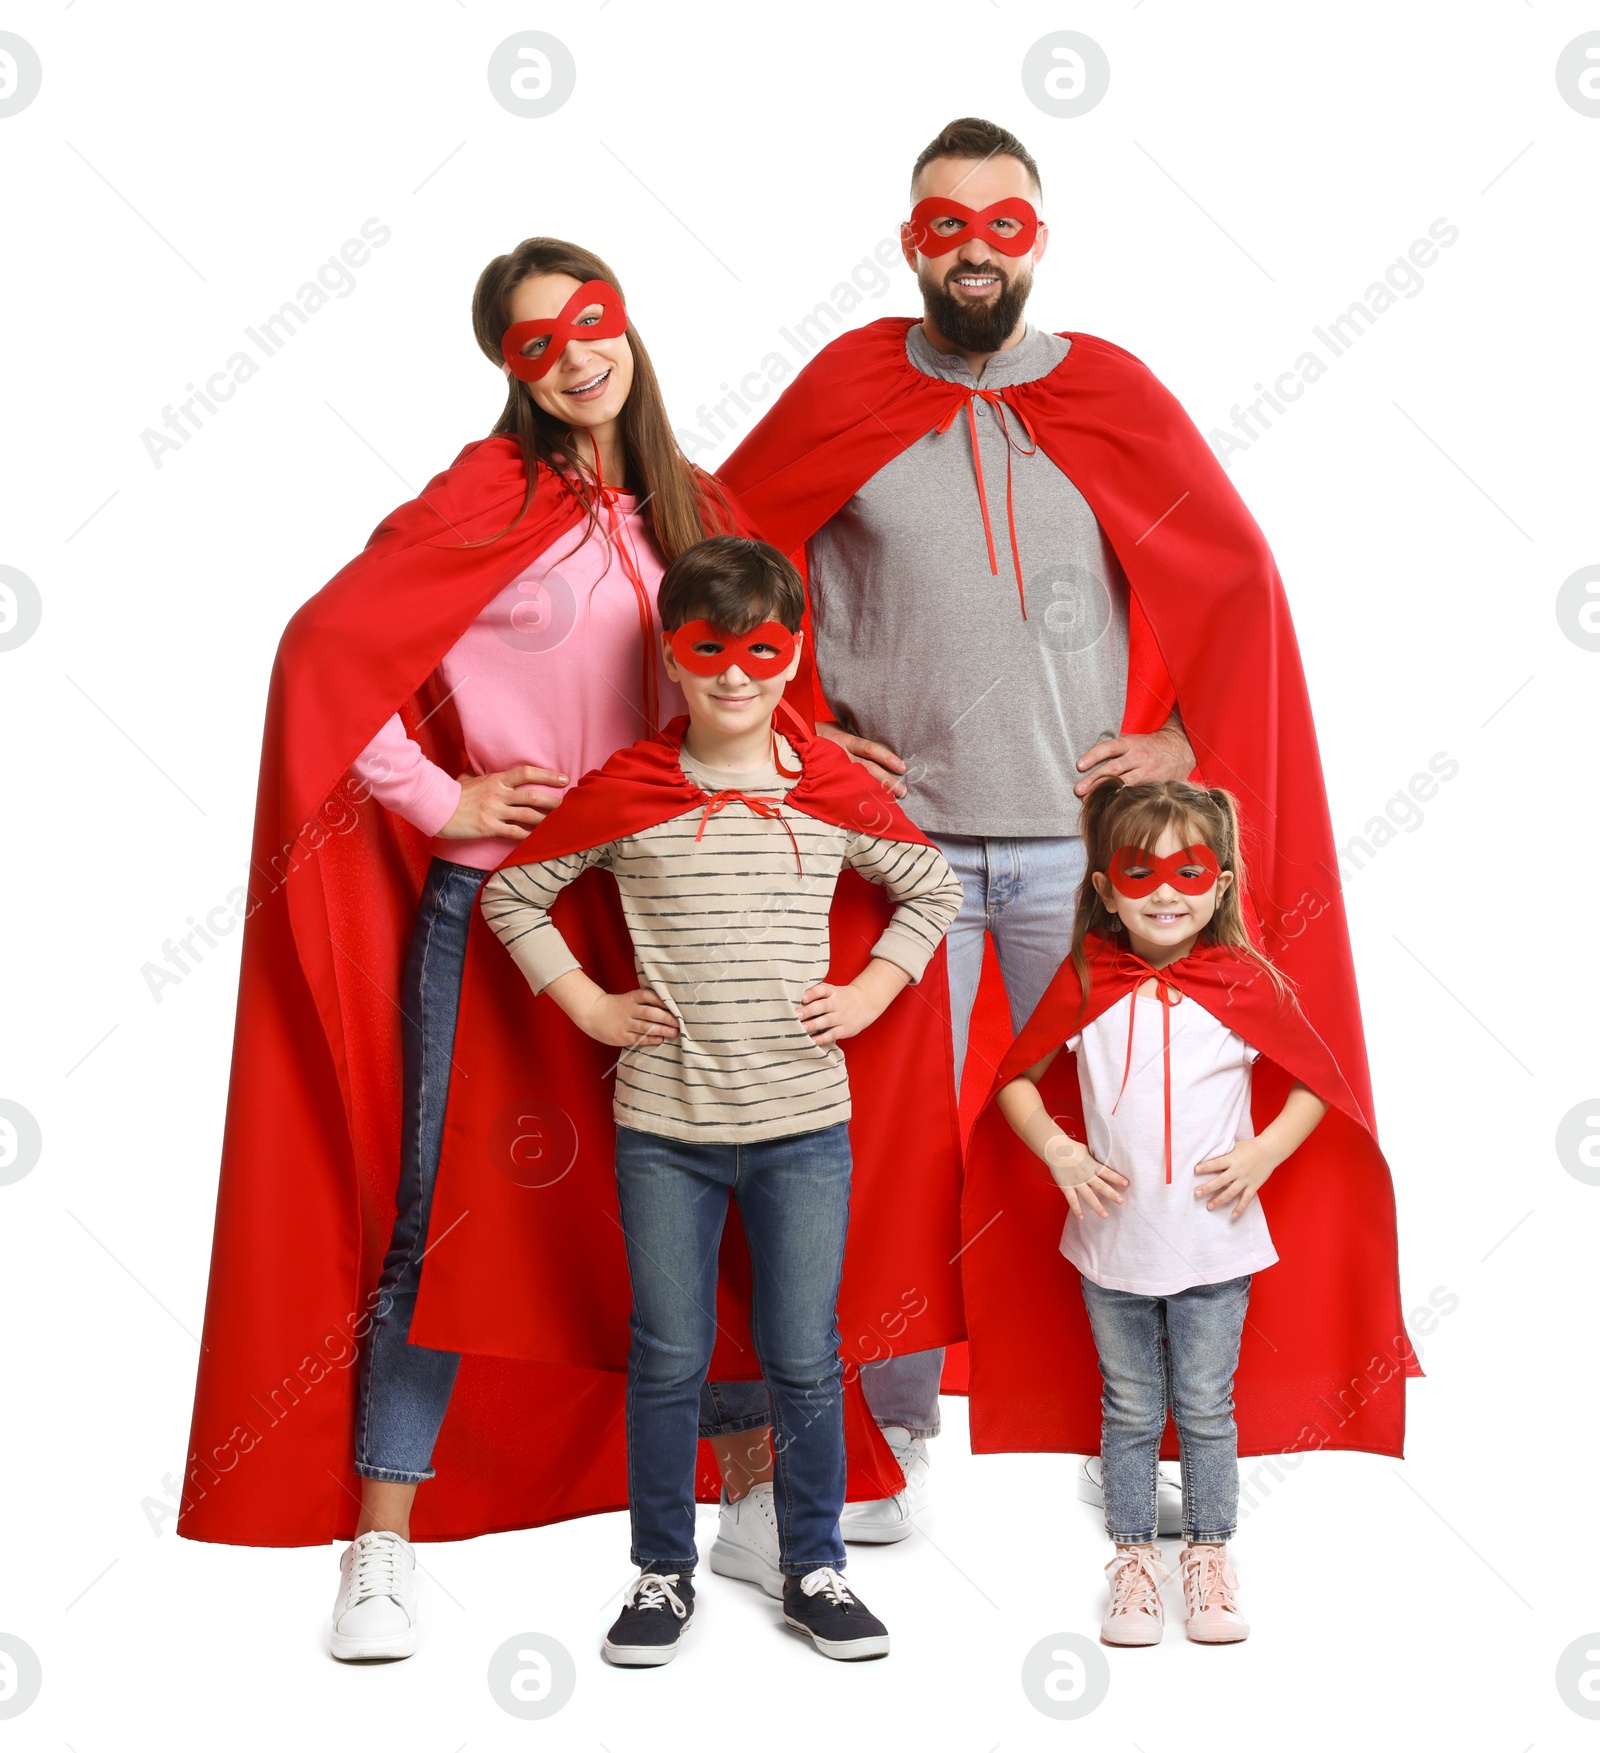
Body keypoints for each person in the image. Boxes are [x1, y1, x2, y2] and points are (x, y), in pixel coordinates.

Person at [180, 236, 899, 1660]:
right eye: (536, 342)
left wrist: (846, 785)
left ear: (626, 328)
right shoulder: (483, 497)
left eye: (594, 323)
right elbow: (324, 656)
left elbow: (759, 699)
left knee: (733, 1189)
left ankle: (750, 1509)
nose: (577, 355)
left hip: (676, 910)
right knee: (441, 1215)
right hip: (506, 909)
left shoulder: (689, 508)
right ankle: (376, 1545)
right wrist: (442, 798)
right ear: (507, 368)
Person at [719, 116, 1203, 1536]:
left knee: (1127, 1124)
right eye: (947, 223)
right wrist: (798, 719)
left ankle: (1152, 1439)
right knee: (879, 1141)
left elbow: (1213, 570)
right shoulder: (853, 387)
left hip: (1080, 846)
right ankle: (884, 1434)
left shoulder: (1109, 393)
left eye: (1005, 223)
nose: (976, 248)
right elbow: (735, 552)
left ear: (1038, 241)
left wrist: (1177, 726)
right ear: (910, 240)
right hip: (901, 846)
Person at [475, 536, 963, 1663]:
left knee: (802, 1353)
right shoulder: (631, 791)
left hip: (804, 1130)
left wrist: (873, 986)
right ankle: (659, 1574)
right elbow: (517, 895)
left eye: (760, 651)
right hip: (664, 1131)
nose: (735, 675)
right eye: (709, 651)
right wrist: (589, 1006)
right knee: (670, 1355)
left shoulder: (828, 791)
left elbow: (927, 885)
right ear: (674, 656)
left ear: (792, 659)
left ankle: (813, 1568)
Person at [994, 779, 1337, 1643]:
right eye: (1139, 872)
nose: (1165, 892)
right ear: (1105, 887)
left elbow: (1317, 1085)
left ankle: (1211, 1556)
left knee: (1208, 1405)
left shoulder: (1243, 982)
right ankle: (1135, 1559)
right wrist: (1059, 1151)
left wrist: (1261, 1153)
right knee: (1131, 1404)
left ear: (1220, 883)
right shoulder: (1086, 980)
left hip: (1215, 1245)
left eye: (1190, 872)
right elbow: (1015, 1083)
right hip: (1111, 1244)